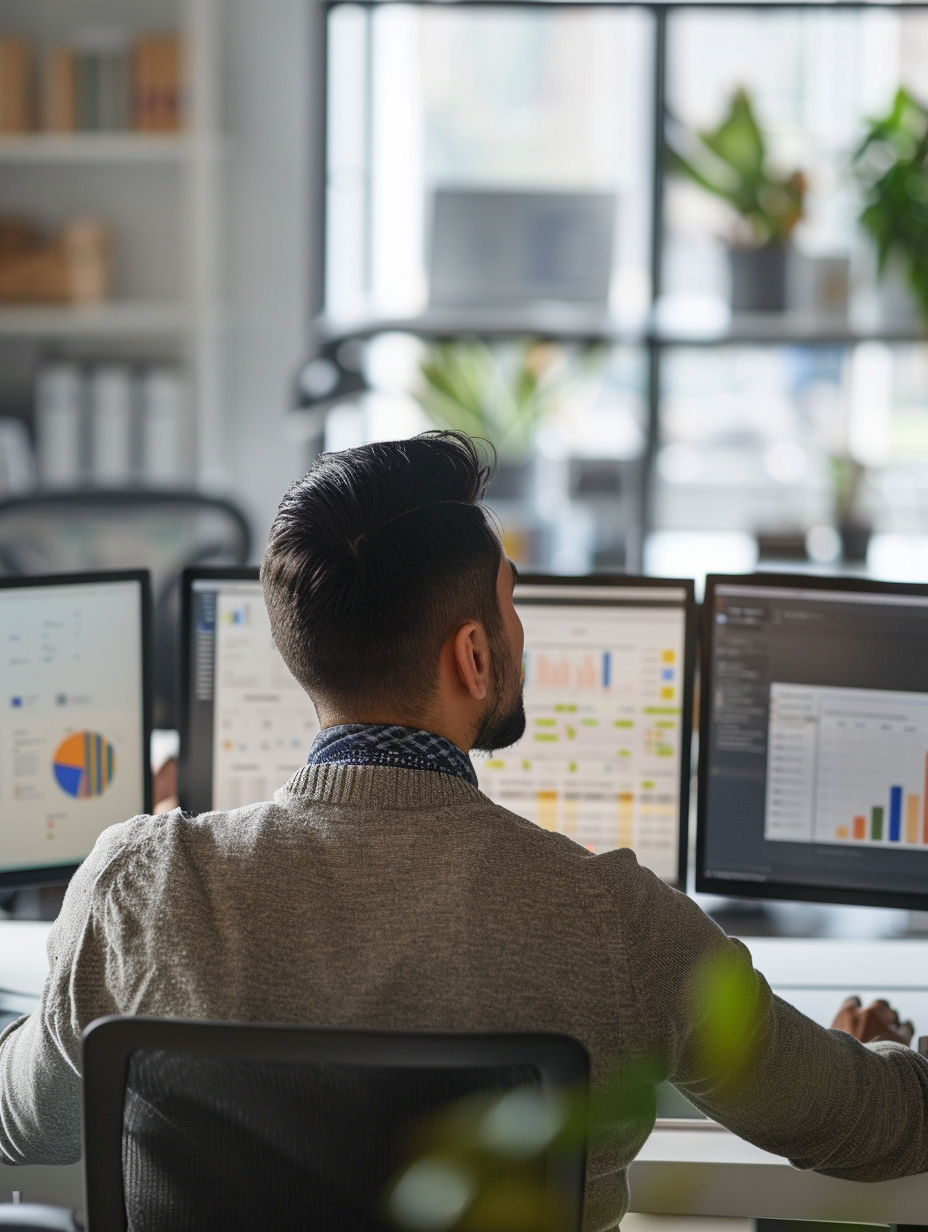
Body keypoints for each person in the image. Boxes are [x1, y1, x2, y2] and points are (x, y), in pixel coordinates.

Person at [0, 431, 924, 1229]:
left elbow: (26, 1121)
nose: (519, 630)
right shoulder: (616, 922)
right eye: (510, 603)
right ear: (474, 655)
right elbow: (880, 1127)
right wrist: (866, 1056)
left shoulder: (141, 888)